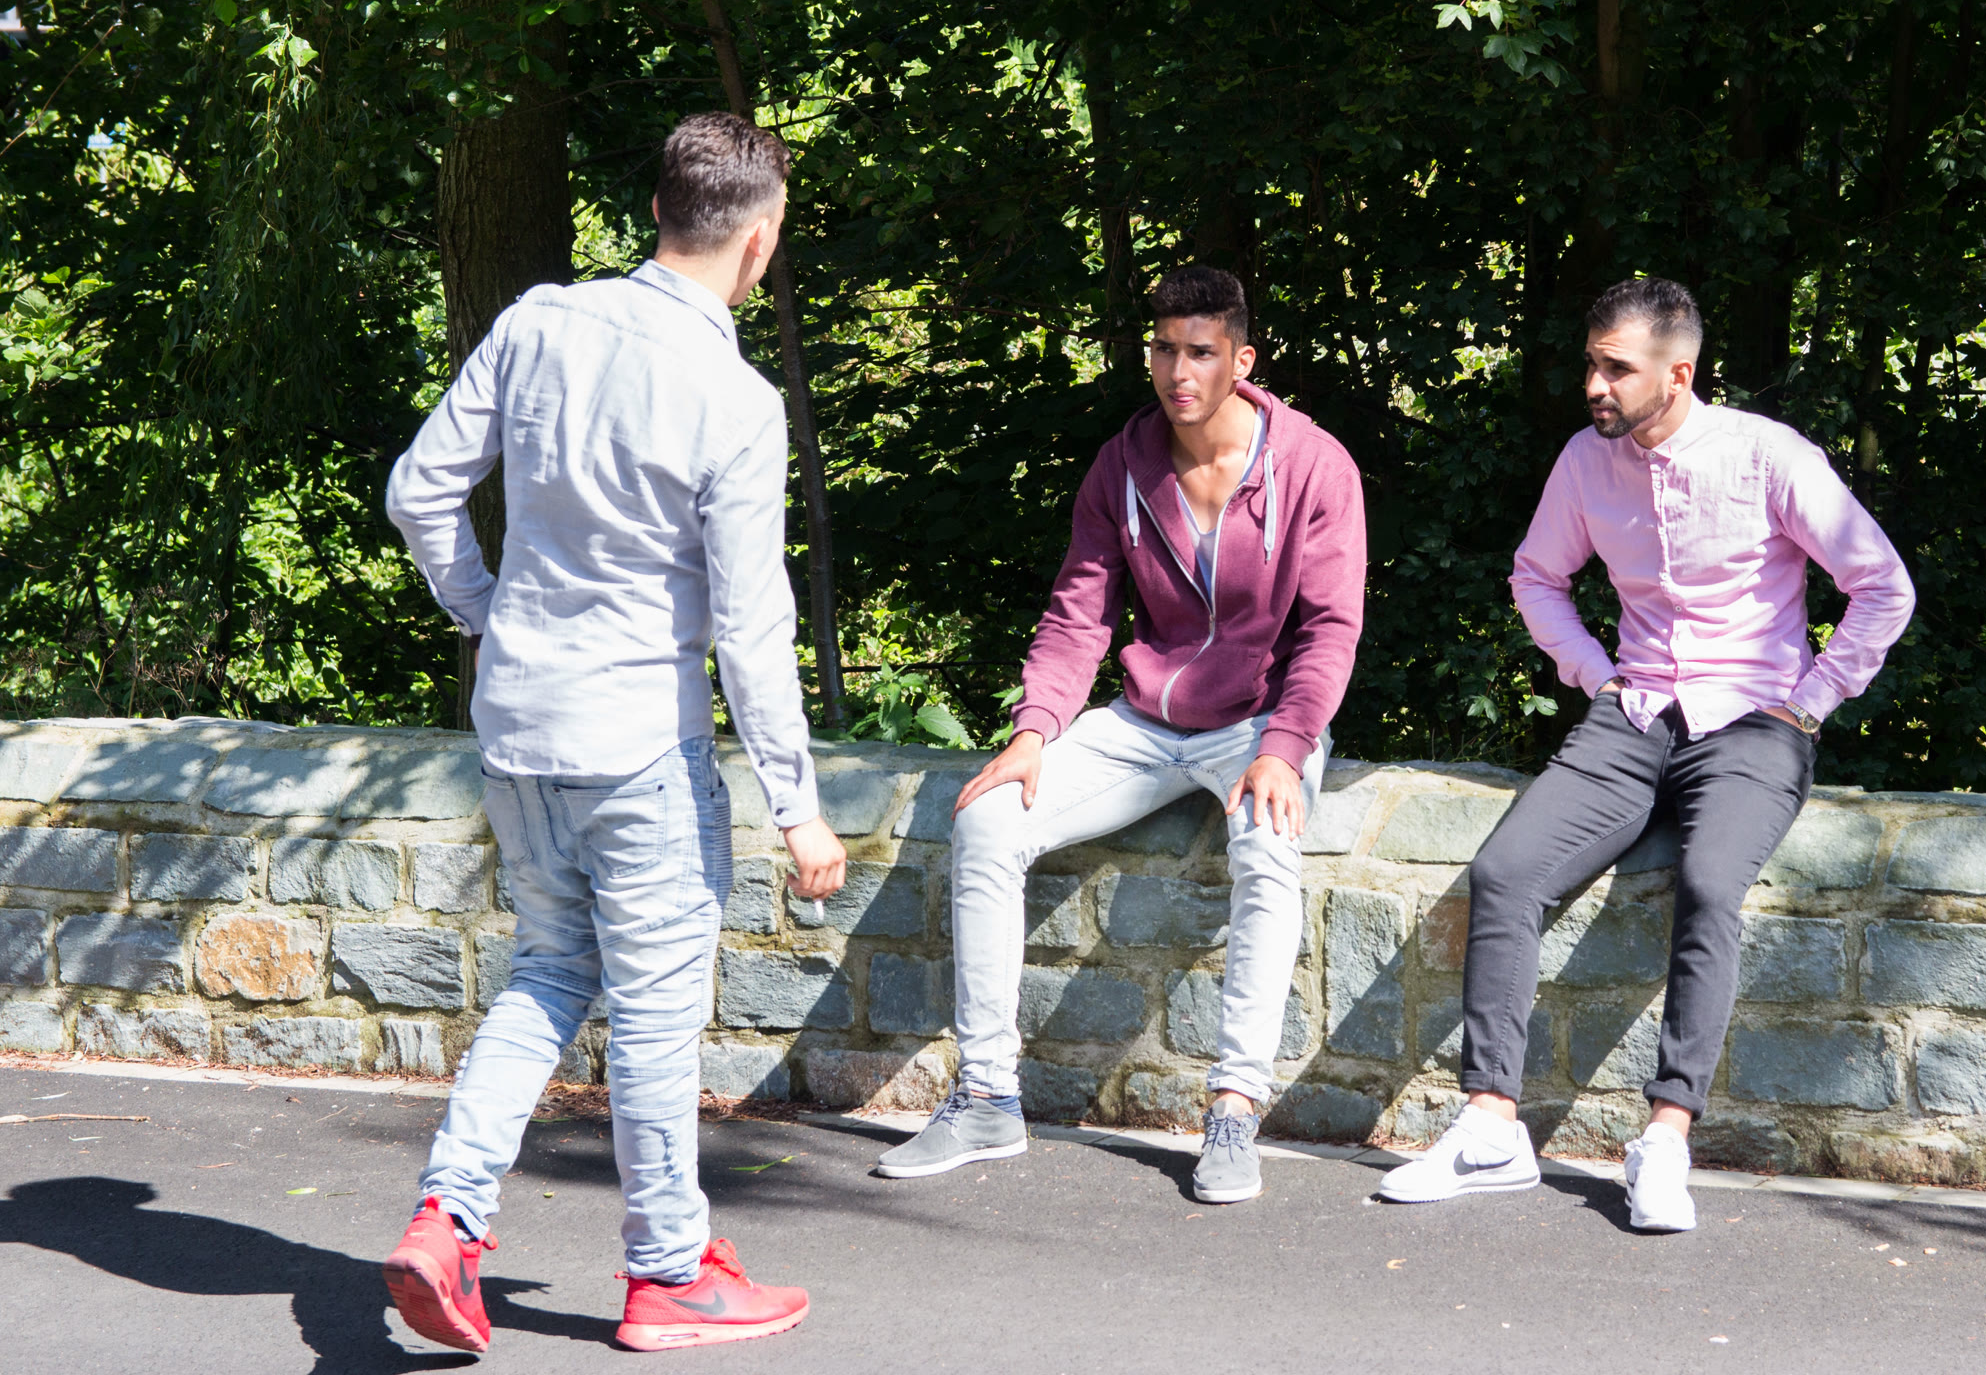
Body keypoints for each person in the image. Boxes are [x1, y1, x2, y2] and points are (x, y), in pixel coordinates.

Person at [381, 112, 846, 1352]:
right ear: (759, 242)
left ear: (656, 213)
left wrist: (485, 611)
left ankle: (447, 1216)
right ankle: (667, 1270)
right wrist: (798, 806)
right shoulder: (736, 400)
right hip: (637, 741)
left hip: (518, 727)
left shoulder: (538, 322)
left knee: (544, 972)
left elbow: (418, 489)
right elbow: (750, 628)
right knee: (650, 1016)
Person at [1378, 278, 1914, 1231]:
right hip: (1632, 714)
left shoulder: (1769, 457)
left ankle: (1665, 1139)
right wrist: (1593, 674)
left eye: (1616, 368)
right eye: (1591, 364)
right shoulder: (1586, 461)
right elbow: (1537, 577)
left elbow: (1882, 585)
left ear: (1678, 373)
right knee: (1504, 874)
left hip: (1753, 723)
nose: (1595, 384)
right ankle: (1491, 1127)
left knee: (1708, 885)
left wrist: (1813, 700)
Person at [875, 266, 1368, 1204]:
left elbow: (1331, 629)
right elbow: (1078, 616)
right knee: (986, 821)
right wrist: (1033, 731)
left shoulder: (1313, 465)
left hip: (1261, 722)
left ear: (1242, 360)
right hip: (1146, 722)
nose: (1179, 371)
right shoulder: (1124, 464)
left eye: (1202, 352)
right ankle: (987, 1098)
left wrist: (1286, 746)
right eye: (1165, 350)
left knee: (1268, 846)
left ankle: (1233, 1108)